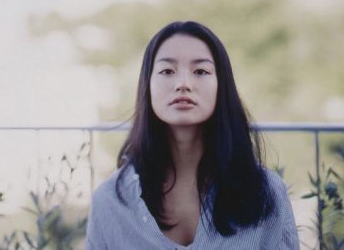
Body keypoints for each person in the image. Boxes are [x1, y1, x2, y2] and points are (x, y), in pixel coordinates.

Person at [86, 21, 300, 249]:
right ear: (147, 85)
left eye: (200, 71)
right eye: (167, 71)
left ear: (221, 85)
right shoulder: (110, 202)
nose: (183, 84)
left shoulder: (266, 194)